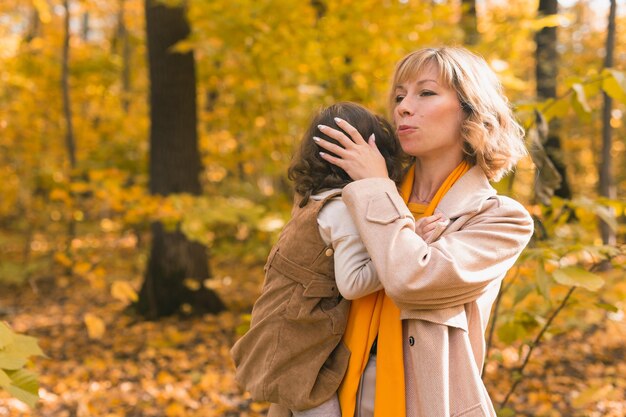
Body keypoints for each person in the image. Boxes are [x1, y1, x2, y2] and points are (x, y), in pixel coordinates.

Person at [314, 47, 534, 417]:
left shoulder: (501, 219)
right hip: (325, 399)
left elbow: (411, 279)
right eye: (399, 96)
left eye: (426, 92)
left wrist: (374, 187)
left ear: (472, 110)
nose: (402, 107)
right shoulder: (363, 192)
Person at [231, 102, 448, 417]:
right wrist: (409, 243)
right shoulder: (343, 209)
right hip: (303, 349)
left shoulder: (311, 200)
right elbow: (352, 283)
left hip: (281, 333)